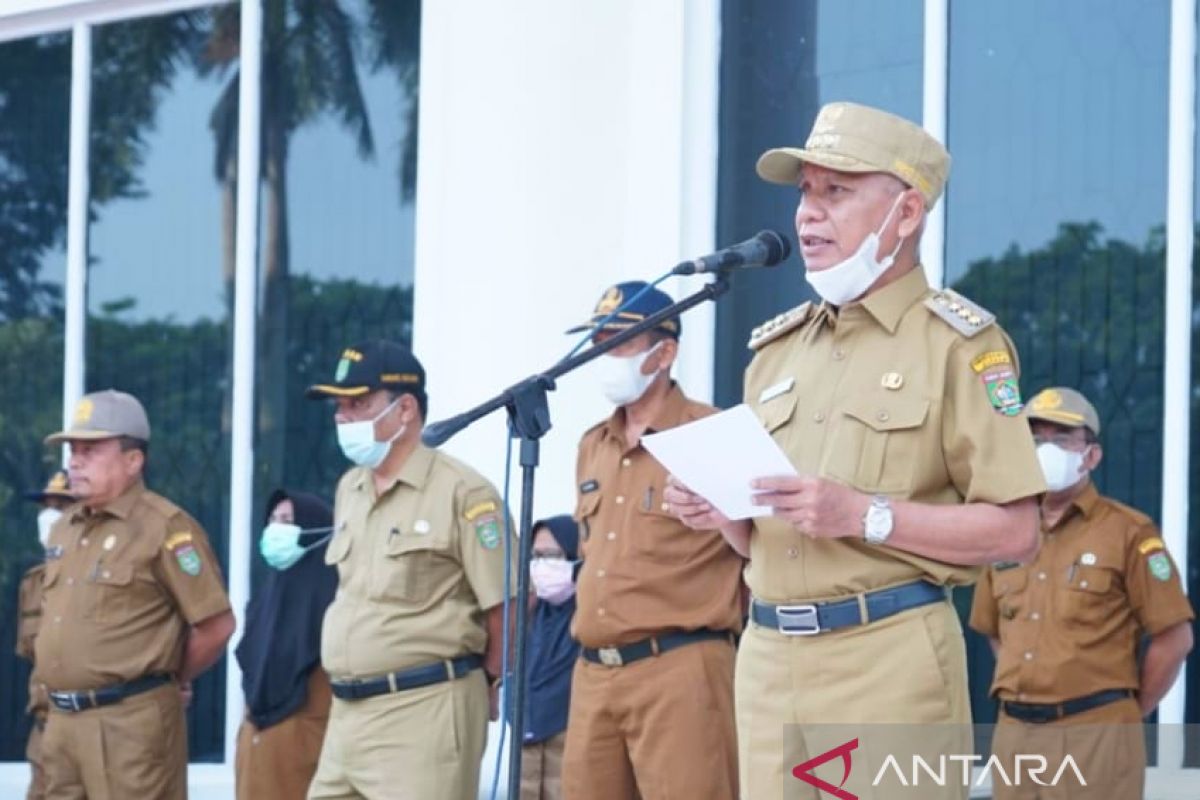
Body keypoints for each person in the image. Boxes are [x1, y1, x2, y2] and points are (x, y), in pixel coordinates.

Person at [664, 101, 1048, 799]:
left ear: (906, 214)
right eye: (805, 193)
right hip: (768, 658)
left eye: (835, 192)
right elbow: (764, 542)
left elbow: (1017, 531)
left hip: (887, 657)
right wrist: (715, 508)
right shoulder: (775, 353)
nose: (808, 215)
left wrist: (865, 515)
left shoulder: (958, 346)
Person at [305, 340, 516, 800]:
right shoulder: (351, 487)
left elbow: (507, 606)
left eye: (358, 404)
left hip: (423, 710)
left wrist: (488, 680)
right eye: (338, 406)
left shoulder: (464, 492)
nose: (343, 417)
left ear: (405, 411)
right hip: (346, 715)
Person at [562, 282, 743, 800]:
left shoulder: (712, 433)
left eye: (618, 342)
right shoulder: (593, 444)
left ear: (664, 352)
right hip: (594, 671)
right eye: (598, 341)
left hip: (680, 667)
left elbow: (761, 551)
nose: (603, 354)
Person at [970, 387, 1195, 798]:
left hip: (1097, 734)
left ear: (1091, 456)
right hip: (1015, 735)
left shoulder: (1128, 532)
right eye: (1035, 439)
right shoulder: (1006, 531)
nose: (1046, 449)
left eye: (1061, 439)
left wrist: (1125, 712)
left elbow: (1174, 638)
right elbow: (992, 627)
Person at [35, 389, 236, 798]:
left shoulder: (165, 527)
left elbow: (216, 625)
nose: (74, 460)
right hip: (60, 722)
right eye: (72, 449)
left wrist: (169, 678)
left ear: (133, 460)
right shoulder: (65, 527)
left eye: (90, 449)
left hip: (127, 724)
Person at [235, 489, 338, 800]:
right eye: (273, 520)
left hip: (307, 756)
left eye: (288, 520)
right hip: (257, 755)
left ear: (313, 528)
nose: (276, 529)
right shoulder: (266, 599)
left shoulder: (336, 600)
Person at [16, 469, 74, 800]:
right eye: (47, 507)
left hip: (90, 732)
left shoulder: (100, 579)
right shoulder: (32, 583)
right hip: (43, 733)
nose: (50, 517)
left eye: (62, 507)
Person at [521, 515, 581, 800]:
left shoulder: (591, 618)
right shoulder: (529, 614)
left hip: (575, 736)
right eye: (536, 556)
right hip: (526, 736)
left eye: (553, 556)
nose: (542, 565)